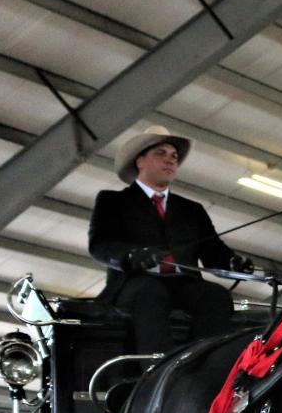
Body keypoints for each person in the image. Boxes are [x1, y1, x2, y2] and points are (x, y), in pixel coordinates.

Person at [89, 125, 253, 353]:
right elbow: (100, 244)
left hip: (182, 284)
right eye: (161, 154)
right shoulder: (113, 200)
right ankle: (155, 367)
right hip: (135, 284)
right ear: (140, 161)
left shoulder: (192, 210)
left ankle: (202, 362)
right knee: (150, 291)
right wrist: (129, 256)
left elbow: (212, 250)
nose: (170, 161)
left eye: (174, 156)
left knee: (216, 295)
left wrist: (233, 263)